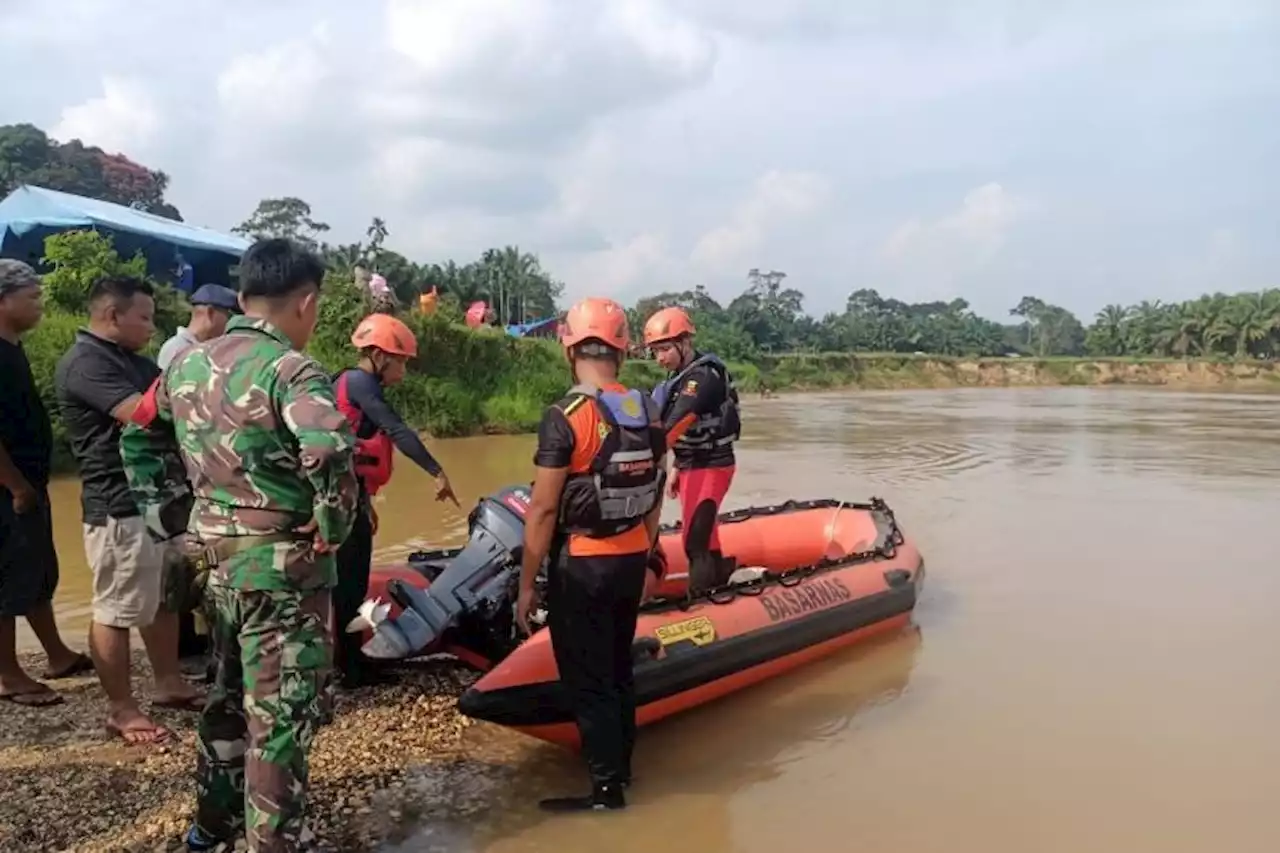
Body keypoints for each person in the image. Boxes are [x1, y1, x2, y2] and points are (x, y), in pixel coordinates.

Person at [120, 237, 359, 853]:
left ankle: (213, 827)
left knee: (227, 699)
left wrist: (172, 517)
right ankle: (276, 842)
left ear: (244, 296)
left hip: (213, 564)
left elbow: (139, 438)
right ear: (306, 303)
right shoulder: (291, 369)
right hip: (283, 572)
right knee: (279, 715)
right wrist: (333, 524)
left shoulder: (184, 365)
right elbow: (329, 448)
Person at [516, 297, 668, 813]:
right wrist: (648, 558)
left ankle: (607, 791)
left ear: (570, 348)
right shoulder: (647, 409)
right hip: (629, 560)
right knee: (618, 667)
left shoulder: (566, 416)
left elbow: (541, 510)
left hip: (583, 564)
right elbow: (656, 490)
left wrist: (525, 586)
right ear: (622, 351)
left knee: (589, 677)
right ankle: (622, 767)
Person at [54, 275, 203, 745]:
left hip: (156, 499)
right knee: (116, 608)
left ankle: (168, 683)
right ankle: (121, 709)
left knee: (163, 599)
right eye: (145, 317)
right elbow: (143, 413)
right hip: (118, 504)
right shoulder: (85, 363)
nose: (151, 327)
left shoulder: (130, 361)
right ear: (112, 315)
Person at [331, 312, 459, 688]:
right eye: (400, 359)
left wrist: (366, 502)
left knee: (351, 581)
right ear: (378, 355)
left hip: (351, 496)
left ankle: (351, 662)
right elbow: (396, 429)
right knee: (350, 584)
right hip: (341, 500)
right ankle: (351, 669)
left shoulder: (354, 384)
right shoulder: (358, 382)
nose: (403, 368)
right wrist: (437, 471)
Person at [0, 260, 94, 708]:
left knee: (38, 571)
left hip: (28, 481)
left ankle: (57, 653)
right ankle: (9, 675)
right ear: (4, 300)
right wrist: (15, 484)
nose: (40, 305)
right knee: (6, 580)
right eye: (32, 298)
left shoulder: (11, 347)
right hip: (8, 488)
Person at [644, 306, 742, 593]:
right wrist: (676, 466)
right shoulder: (678, 378)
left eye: (665, 349)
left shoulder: (703, 378)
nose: (660, 357)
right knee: (704, 534)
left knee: (694, 541)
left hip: (712, 463)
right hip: (691, 463)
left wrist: (642, 464)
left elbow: (676, 424)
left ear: (685, 342)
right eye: (655, 351)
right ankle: (721, 576)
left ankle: (700, 600)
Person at [157, 283, 241, 369]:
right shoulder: (177, 348)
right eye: (230, 316)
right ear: (210, 313)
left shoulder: (211, 348)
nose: (233, 322)